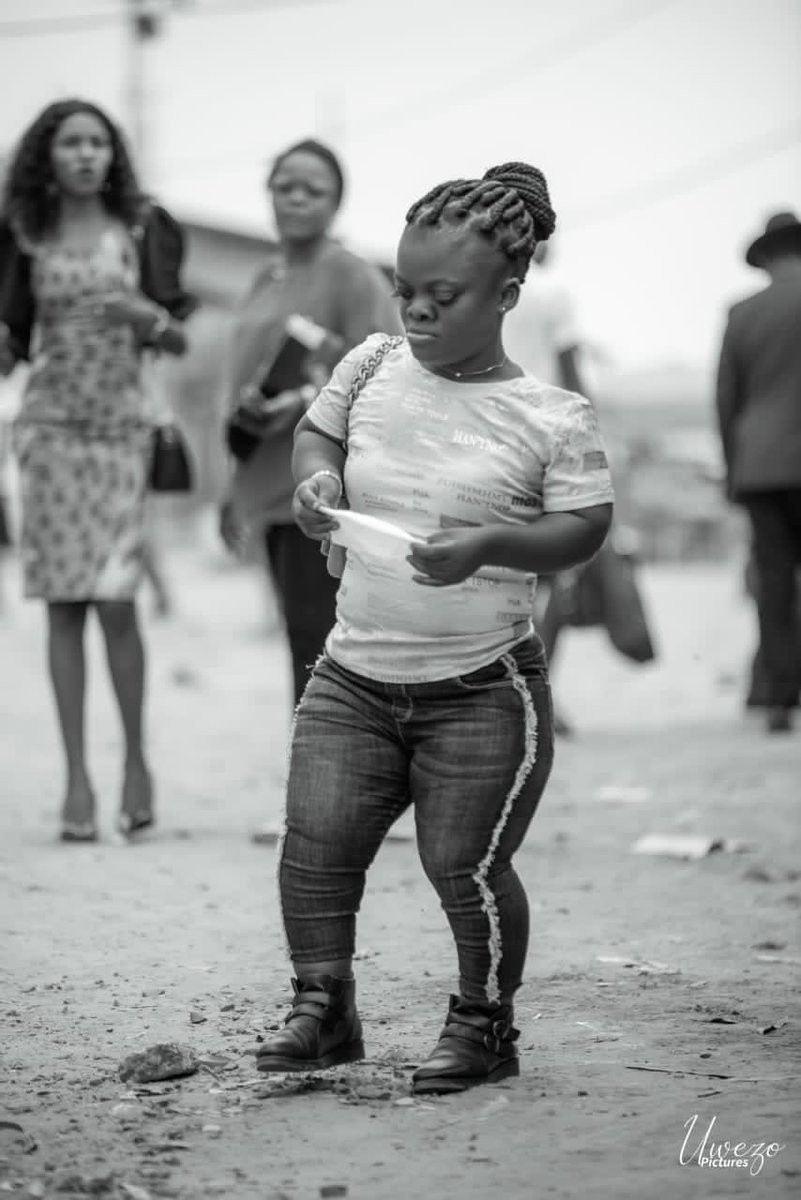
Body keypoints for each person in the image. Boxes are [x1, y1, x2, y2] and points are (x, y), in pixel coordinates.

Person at [254, 161, 614, 1095]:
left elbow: (583, 528)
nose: (415, 310)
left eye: (441, 296)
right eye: (405, 289)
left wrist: (489, 542)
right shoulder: (368, 365)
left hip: (481, 689)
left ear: (505, 295)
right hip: (352, 678)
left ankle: (482, 1025)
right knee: (315, 848)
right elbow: (317, 436)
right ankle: (323, 1008)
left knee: (466, 865)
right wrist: (317, 482)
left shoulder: (548, 417)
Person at [0, 98, 196, 841]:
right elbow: (12, 344)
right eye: (70, 143)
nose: (85, 154)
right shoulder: (23, 232)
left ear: (112, 154)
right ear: (46, 155)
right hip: (48, 432)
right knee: (63, 605)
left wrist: (146, 317)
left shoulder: (143, 227)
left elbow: (175, 338)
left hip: (120, 431)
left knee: (118, 600)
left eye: (97, 142)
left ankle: (137, 763)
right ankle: (77, 777)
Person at [219, 139, 401, 713]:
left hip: (325, 489)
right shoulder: (264, 279)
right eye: (284, 186)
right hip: (266, 487)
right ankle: (319, 779)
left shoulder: (353, 277)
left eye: (313, 190)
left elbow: (386, 369)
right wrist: (233, 487)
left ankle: (325, 781)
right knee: (302, 639)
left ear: (336, 202)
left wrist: (300, 398)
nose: (296, 199)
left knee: (321, 643)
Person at [716, 211, 801, 734]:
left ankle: (777, 697)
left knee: (773, 583)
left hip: (763, 467)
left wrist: (733, 471)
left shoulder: (743, 312)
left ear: (766, 257)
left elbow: (727, 402)